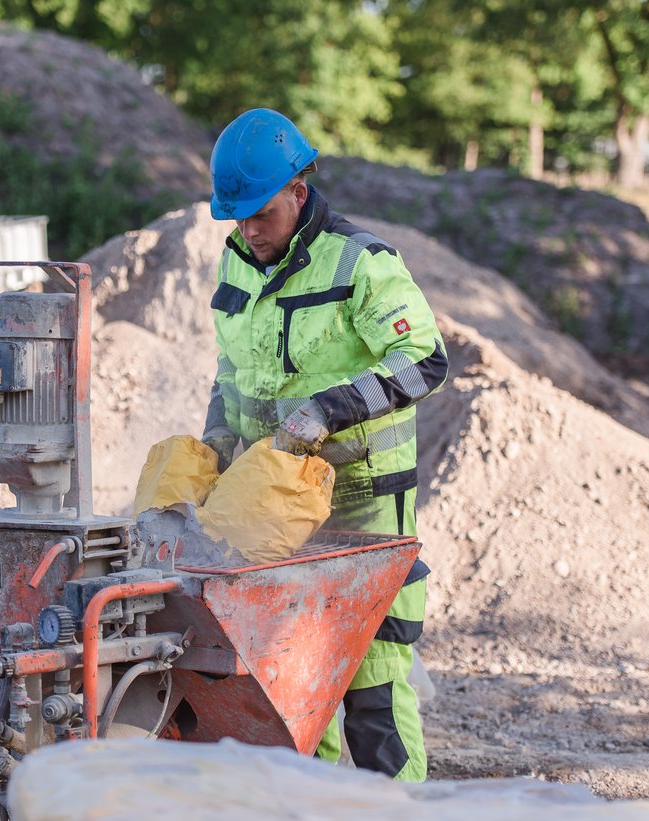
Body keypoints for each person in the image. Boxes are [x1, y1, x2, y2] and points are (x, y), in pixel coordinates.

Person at [201, 108, 448, 782]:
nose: (249, 229)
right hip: (278, 519)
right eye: (237, 216)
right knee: (289, 703)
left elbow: (425, 359)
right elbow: (232, 376)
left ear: (298, 194)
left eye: (260, 212)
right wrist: (211, 450)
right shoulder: (237, 264)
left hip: (363, 519)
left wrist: (332, 408)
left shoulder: (360, 262)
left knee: (371, 698)